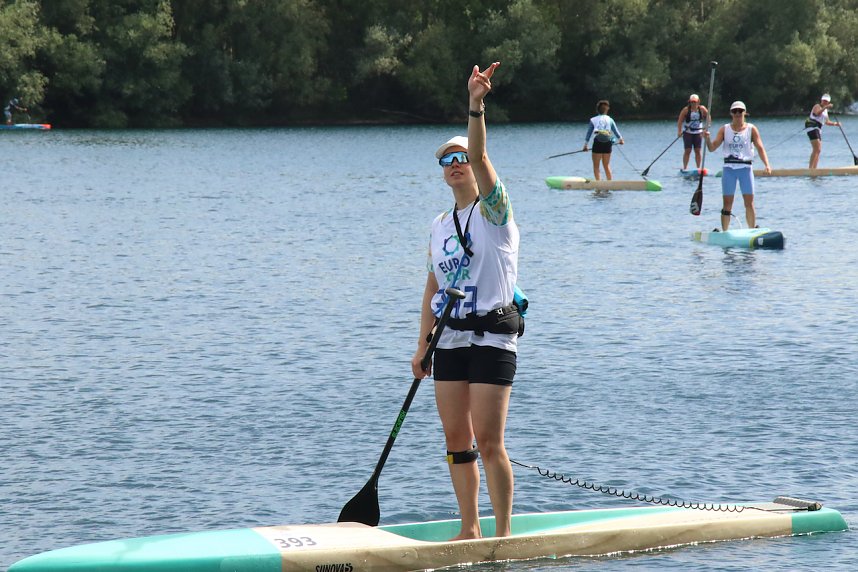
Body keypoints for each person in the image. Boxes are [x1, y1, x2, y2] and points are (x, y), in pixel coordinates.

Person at [412, 61, 520, 541]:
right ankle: (469, 530)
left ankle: (502, 536)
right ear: (441, 174)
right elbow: (432, 287)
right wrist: (421, 347)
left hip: (492, 338)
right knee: (457, 440)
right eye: (446, 161)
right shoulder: (437, 225)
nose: (456, 164)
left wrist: (475, 105)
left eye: (460, 158)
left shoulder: (495, 212)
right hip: (449, 340)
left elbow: (480, 157)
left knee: (490, 442)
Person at [704, 101, 772, 231]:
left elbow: (760, 148)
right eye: (734, 111)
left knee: (749, 203)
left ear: (744, 113)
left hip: (745, 169)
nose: (737, 114)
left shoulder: (752, 129)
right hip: (729, 169)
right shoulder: (725, 129)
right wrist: (707, 139)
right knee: (727, 204)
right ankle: (725, 231)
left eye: (740, 111)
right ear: (731, 113)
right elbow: (712, 148)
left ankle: (751, 230)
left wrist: (767, 165)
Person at [582, 100, 624, 180]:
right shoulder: (610, 119)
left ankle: (598, 184)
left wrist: (585, 146)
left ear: (597, 110)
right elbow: (615, 131)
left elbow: (589, 133)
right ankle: (609, 183)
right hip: (608, 142)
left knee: (596, 166)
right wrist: (621, 139)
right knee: (606, 165)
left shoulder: (593, 120)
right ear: (606, 110)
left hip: (598, 142)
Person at [805, 93, 839, 169]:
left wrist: (835, 124)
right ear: (821, 100)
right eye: (823, 100)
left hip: (818, 129)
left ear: (828, 102)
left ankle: (815, 168)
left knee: (819, 150)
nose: (824, 102)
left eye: (826, 101)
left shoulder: (825, 111)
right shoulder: (817, 106)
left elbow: (827, 122)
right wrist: (825, 107)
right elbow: (817, 113)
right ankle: (810, 168)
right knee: (816, 148)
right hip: (812, 127)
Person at [677, 94, 709, 170]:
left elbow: (708, 117)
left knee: (697, 150)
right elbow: (680, 121)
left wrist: (707, 127)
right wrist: (679, 131)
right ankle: (685, 168)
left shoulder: (702, 109)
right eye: (692, 102)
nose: (693, 103)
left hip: (698, 133)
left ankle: (698, 168)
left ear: (698, 101)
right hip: (688, 132)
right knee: (688, 150)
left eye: (695, 102)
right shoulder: (686, 110)